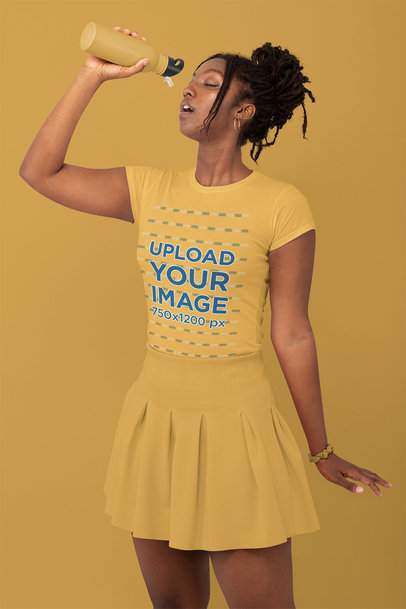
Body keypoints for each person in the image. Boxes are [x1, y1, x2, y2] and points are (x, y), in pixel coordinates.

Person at [19, 25, 392, 609]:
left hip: (236, 430)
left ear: (243, 110)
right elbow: (40, 172)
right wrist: (92, 75)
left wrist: (322, 451)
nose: (188, 90)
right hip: (157, 422)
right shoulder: (149, 190)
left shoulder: (280, 205)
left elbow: (292, 332)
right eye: (190, 81)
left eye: (209, 83)